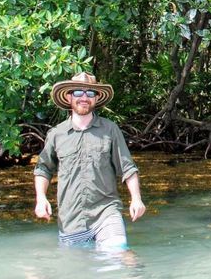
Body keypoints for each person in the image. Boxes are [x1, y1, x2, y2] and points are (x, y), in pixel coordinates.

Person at [33, 72, 146, 249]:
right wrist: (41, 199)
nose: (84, 97)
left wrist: (137, 198)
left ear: (96, 98)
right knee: (77, 274)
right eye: (78, 92)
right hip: (70, 220)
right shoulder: (56, 134)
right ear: (69, 97)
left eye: (90, 93)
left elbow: (127, 168)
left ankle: (138, 277)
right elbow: (43, 169)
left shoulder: (110, 129)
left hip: (106, 212)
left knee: (118, 256)